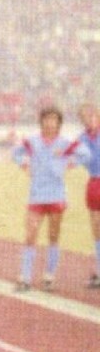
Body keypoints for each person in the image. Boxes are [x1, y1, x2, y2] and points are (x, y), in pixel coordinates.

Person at [11, 106, 91, 292]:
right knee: (30, 235)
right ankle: (25, 277)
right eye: (47, 119)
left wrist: (69, 163)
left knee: (53, 236)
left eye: (54, 120)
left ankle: (49, 276)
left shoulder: (65, 142)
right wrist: (24, 164)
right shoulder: (33, 141)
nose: (50, 123)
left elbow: (85, 154)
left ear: (59, 123)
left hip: (56, 195)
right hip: (37, 195)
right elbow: (16, 152)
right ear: (41, 122)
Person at [75, 102, 100, 287]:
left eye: (91, 115)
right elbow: (76, 158)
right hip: (94, 182)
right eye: (84, 117)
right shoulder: (81, 139)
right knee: (97, 228)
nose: (88, 119)